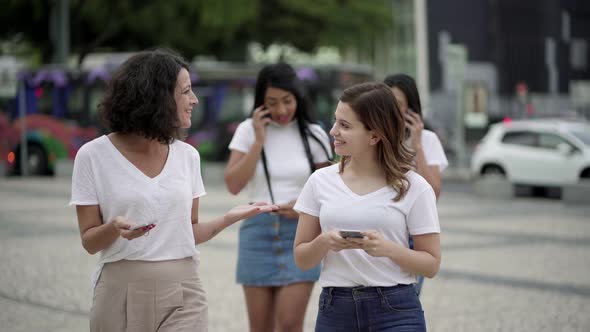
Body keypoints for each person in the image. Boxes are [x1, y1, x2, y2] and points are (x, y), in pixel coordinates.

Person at [69, 49, 277, 332]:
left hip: (184, 291)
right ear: (157, 97)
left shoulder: (188, 156)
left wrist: (230, 217)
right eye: (186, 92)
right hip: (119, 291)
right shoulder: (92, 156)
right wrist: (114, 228)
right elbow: (90, 242)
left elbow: (187, 231)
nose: (194, 100)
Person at [293, 82, 441, 331]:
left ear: (374, 135)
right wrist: (325, 242)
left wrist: (388, 249)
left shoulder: (415, 187)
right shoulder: (319, 181)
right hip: (335, 311)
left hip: (397, 312)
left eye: (345, 125)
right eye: (335, 121)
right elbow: (302, 259)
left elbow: (431, 264)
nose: (332, 131)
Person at [224, 63, 332, 331]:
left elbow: (331, 191)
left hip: (300, 234)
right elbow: (234, 184)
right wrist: (259, 141)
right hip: (257, 233)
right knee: (260, 328)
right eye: (272, 102)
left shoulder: (314, 134)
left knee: (289, 323)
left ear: (297, 97)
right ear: (261, 102)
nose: (281, 110)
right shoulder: (248, 130)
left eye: (287, 101)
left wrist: (303, 206)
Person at [384, 73, 448, 296]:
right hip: (380, 227)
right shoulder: (374, 138)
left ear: (411, 109)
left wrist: (417, 145)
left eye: (398, 105)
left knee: (405, 300)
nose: (392, 111)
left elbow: (434, 192)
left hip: (412, 233)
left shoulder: (428, 140)